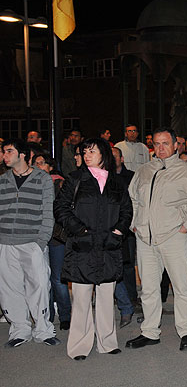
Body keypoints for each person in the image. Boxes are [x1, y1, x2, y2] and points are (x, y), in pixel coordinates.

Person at [126, 127, 187, 351]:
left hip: (174, 236)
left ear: (175, 145)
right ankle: (150, 331)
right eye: (157, 143)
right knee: (149, 288)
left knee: (182, 286)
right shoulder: (143, 170)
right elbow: (132, 198)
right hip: (145, 238)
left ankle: (186, 331)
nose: (161, 148)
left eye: (165, 143)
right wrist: (135, 223)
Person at [54, 138, 132, 360]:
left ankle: (107, 342)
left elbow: (127, 210)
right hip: (83, 246)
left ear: (104, 154)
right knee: (81, 299)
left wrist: (118, 231)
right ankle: (79, 346)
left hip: (108, 246)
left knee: (107, 298)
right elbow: (60, 208)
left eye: (92, 151)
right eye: (84, 151)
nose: (86, 155)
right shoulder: (75, 179)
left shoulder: (116, 182)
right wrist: (79, 231)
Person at [0, 138, 60, 348]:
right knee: (10, 288)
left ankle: (43, 330)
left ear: (23, 154)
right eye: (4, 152)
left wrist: (41, 241)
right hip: (5, 243)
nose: (4, 155)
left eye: (9, 151)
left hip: (33, 242)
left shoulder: (42, 179)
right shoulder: (2, 180)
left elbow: (47, 212)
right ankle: (20, 330)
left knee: (40, 286)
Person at [35, 155, 71, 331]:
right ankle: (46, 315)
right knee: (43, 279)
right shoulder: (32, 185)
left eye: (41, 163)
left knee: (57, 278)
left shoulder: (60, 184)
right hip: (38, 238)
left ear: (50, 166)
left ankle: (65, 316)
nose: (37, 166)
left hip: (56, 237)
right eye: (35, 163)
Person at [112, 146, 138, 327]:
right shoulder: (104, 177)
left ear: (122, 158)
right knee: (115, 268)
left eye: (115, 156)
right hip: (111, 228)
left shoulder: (131, 176)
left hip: (127, 228)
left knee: (127, 266)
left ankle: (131, 299)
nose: (112, 160)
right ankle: (125, 304)